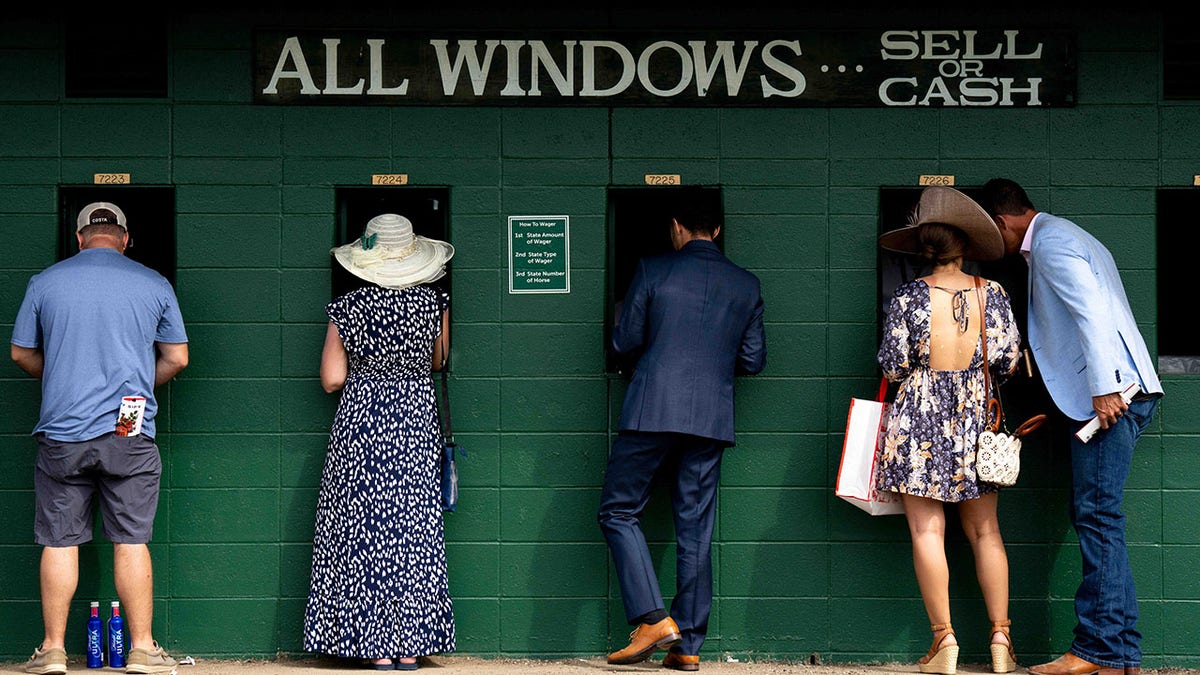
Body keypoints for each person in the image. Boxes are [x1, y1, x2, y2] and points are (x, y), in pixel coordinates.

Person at [980, 178, 1163, 675]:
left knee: (1097, 517)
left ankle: (1097, 651)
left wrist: (1103, 388)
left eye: (987, 232)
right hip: (1122, 392)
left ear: (1002, 221)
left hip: (1111, 398)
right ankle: (1117, 654)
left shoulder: (1054, 245)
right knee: (1102, 517)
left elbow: (1092, 315)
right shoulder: (1068, 236)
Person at [11, 201, 189, 675]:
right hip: (128, 425)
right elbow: (177, 358)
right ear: (125, 239)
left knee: (59, 541)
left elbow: (20, 353)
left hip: (63, 428)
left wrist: (61, 380)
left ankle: (51, 650)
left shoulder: (45, 283)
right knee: (130, 540)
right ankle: (144, 650)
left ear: (79, 237)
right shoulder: (154, 283)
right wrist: (135, 386)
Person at [597, 194, 766, 672]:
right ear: (717, 230)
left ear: (675, 227)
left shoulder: (652, 270)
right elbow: (753, 360)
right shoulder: (746, 285)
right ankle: (687, 646)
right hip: (710, 419)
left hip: (651, 410)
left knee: (617, 510)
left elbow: (624, 340)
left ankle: (652, 618)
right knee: (695, 530)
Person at [875, 186, 1022, 675]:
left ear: (925, 247)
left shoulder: (908, 297)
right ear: (966, 246)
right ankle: (1001, 639)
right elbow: (1006, 361)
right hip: (978, 417)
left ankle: (945, 643)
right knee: (985, 531)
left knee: (927, 529)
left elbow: (894, 366)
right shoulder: (993, 293)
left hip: (918, 419)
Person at [303, 213, 456, 672]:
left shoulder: (348, 307)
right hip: (414, 419)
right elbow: (438, 360)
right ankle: (410, 644)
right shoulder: (434, 303)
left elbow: (332, 378)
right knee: (413, 531)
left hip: (363, 421)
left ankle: (371, 644)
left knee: (359, 530)